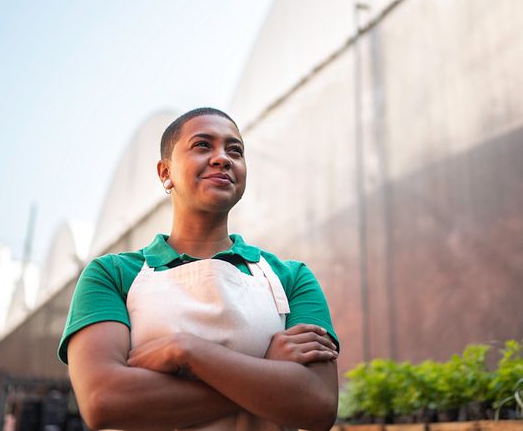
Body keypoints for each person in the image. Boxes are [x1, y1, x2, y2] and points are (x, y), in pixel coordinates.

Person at [58, 108, 339, 431]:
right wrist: (268, 370)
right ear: (165, 172)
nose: (222, 158)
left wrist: (186, 350)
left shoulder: (292, 278)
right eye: (203, 145)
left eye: (235, 150)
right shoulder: (110, 275)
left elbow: (318, 404)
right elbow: (104, 402)